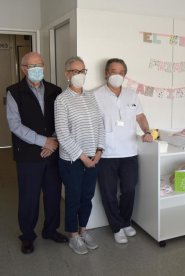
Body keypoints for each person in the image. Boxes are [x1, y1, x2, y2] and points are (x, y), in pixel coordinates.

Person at [6, 52, 68, 254]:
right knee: (29, 197)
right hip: (27, 155)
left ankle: (51, 230)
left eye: (39, 65)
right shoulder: (14, 92)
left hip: (52, 152)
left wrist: (54, 141)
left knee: (52, 194)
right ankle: (27, 236)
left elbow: (62, 120)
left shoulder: (55, 90)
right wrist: (44, 141)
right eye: (31, 66)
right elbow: (15, 126)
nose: (36, 69)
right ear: (23, 68)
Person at [93, 58, 153, 244]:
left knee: (129, 189)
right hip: (106, 153)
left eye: (120, 72)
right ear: (106, 73)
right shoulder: (95, 95)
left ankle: (126, 222)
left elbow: (140, 116)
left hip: (129, 151)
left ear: (125, 75)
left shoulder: (132, 95)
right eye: (113, 71)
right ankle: (116, 227)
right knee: (108, 192)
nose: (116, 75)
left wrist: (147, 131)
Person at [55, 56, 105, 255]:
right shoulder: (62, 100)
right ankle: (73, 235)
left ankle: (83, 230)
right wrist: (83, 157)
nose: (79, 75)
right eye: (75, 71)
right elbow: (62, 134)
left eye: (82, 71)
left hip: (94, 158)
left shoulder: (91, 96)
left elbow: (100, 125)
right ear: (67, 74)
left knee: (87, 197)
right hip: (72, 161)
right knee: (73, 198)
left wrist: (99, 151)